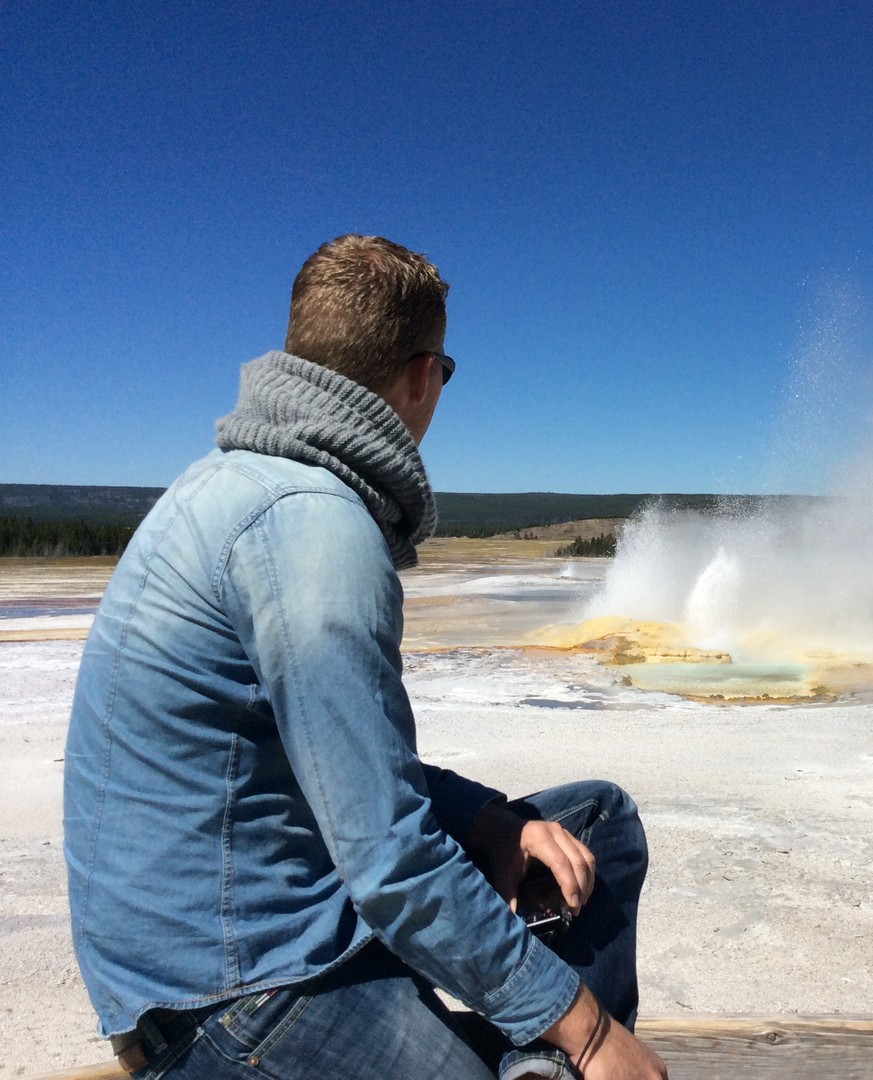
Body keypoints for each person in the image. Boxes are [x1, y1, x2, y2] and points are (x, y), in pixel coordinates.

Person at [62, 235, 668, 1080]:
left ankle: (533, 1065)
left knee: (595, 824)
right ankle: (559, 1061)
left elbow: (344, 768)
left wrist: (491, 818)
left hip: (244, 923)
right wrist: (592, 1033)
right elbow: (389, 859)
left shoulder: (232, 481)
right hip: (235, 991)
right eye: (446, 375)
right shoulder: (313, 527)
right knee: (578, 1024)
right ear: (422, 375)